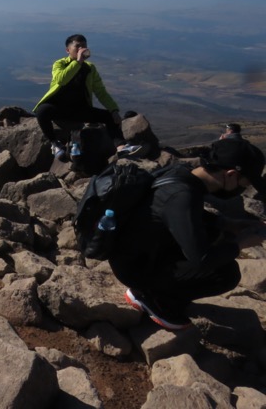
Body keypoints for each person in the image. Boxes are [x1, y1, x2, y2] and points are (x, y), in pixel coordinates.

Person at [110, 137, 266, 330]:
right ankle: (152, 297)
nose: (244, 188)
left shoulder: (183, 175)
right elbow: (203, 258)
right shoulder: (182, 195)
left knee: (212, 236)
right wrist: (240, 243)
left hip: (135, 253)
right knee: (226, 274)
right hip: (134, 269)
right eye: (246, 182)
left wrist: (228, 224)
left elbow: (184, 216)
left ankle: (161, 289)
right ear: (231, 174)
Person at [33, 34, 142, 161]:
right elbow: (61, 80)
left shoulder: (90, 68)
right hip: (59, 108)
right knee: (42, 111)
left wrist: (114, 110)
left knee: (109, 117)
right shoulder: (60, 64)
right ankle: (55, 143)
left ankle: (121, 147)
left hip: (80, 109)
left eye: (84, 46)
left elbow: (100, 92)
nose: (81, 49)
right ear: (68, 50)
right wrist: (77, 62)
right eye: (77, 46)